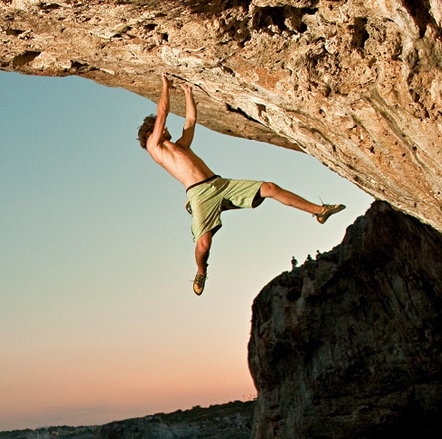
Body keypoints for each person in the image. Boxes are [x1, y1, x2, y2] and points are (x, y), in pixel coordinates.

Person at [139, 72, 344, 295]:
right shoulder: (155, 148)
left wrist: (189, 93)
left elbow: (190, 121)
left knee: (270, 188)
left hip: (220, 184)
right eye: (162, 128)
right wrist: (165, 86)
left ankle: (319, 211)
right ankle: (201, 271)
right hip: (200, 195)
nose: (166, 128)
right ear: (152, 134)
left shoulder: (181, 146)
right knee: (204, 246)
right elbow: (161, 114)